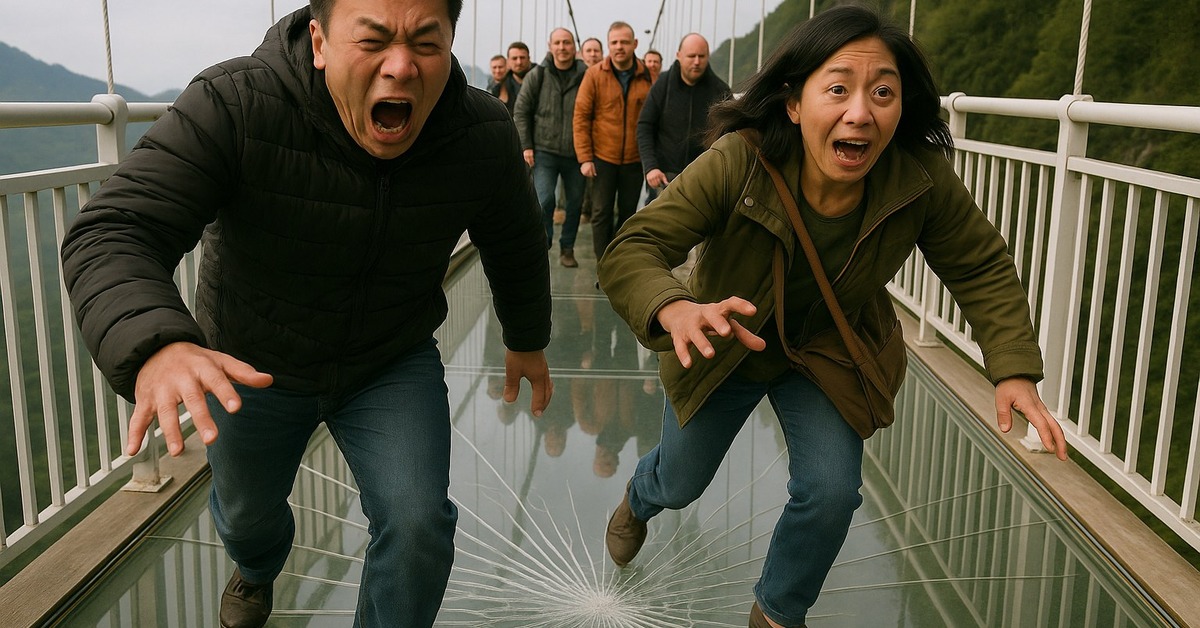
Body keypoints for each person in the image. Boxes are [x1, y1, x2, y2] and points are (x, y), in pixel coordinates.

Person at [59, 1, 554, 627]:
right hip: (253, 357)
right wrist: (159, 344)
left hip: (388, 356)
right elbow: (114, 228)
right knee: (246, 516)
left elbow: (513, 238)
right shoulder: (234, 102)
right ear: (318, 41)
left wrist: (526, 338)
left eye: (427, 43)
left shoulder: (479, 131)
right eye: (372, 41)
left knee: (419, 523)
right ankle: (259, 567)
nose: (401, 67)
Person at [597, 6, 1068, 628]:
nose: (860, 113)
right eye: (838, 89)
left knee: (831, 493)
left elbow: (978, 265)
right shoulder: (741, 160)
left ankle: (775, 613)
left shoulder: (919, 178)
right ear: (794, 103)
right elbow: (634, 246)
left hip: (825, 350)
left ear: (901, 110)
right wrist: (675, 306)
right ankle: (639, 497)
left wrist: (1011, 369)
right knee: (680, 482)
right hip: (723, 342)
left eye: (882, 93)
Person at [573, 21, 653, 263]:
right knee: (601, 213)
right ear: (608, 45)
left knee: (629, 215)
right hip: (602, 157)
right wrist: (585, 158)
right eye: (614, 42)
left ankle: (620, 260)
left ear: (635, 44)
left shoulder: (648, 76)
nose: (619, 47)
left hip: (634, 158)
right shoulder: (594, 74)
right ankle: (603, 263)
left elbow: (655, 119)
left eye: (624, 42)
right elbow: (581, 116)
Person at [514, 27, 589, 268]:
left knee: (575, 203)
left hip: (576, 152)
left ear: (574, 47)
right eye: (557, 43)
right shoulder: (538, 75)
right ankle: (543, 243)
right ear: (550, 46)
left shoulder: (587, 75)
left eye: (566, 42)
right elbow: (522, 110)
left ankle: (567, 248)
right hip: (544, 150)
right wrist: (526, 145)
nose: (562, 47)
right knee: (544, 200)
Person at [637, 33, 729, 203]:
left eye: (701, 56)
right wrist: (650, 167)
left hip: (703, 180)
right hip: (663, 177)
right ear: (678, 55)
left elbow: (731, 136)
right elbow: (645, 126)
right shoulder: (662, 85)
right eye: (691, 56)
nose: (696, 61)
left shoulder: (720, 91)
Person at [490, 41, 531, 114]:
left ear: (529, 59)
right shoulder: (499, 88)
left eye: (522, 58)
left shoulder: (541, 80)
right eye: (514, 58)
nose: (519, 62)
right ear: (508, 61)